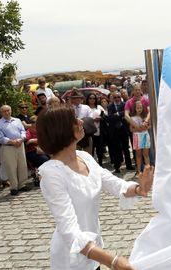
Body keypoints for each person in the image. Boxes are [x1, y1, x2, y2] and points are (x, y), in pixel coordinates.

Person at [36, 105, 153, 270]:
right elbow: (69, 231)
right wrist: (112, 261)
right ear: (60, 130)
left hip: (93, 251)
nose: (80, 121)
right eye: (73, 120)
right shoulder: (52, 173)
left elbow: (114, 183)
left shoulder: (84, 157)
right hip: (71, 259)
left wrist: (138, 189)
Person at [0, 105, 29, 196]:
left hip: (20, 145)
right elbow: (0, 138)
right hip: (8, 147)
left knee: (22, 165)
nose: (6, 112)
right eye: (4, 111)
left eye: (8, 110)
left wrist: (21, 139)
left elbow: (23, 131)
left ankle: (22, 184)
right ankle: (14, 187)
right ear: (1, 112)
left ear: (11, 111)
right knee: (11, 167)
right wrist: (12, 142)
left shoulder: (17, 120)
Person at [130, 100, 151, 175]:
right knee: (138, 155)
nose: (139, 109)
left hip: (145, 136)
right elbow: (131, 129)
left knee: (146, 155)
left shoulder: (146, 117)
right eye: (138, 108)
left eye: (140, 107)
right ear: (135, 108)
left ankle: (148, 171)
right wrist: (138, 128)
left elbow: (149, 126)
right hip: (137, 137)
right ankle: (139, 171)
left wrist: (145, 127)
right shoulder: (132, 118)